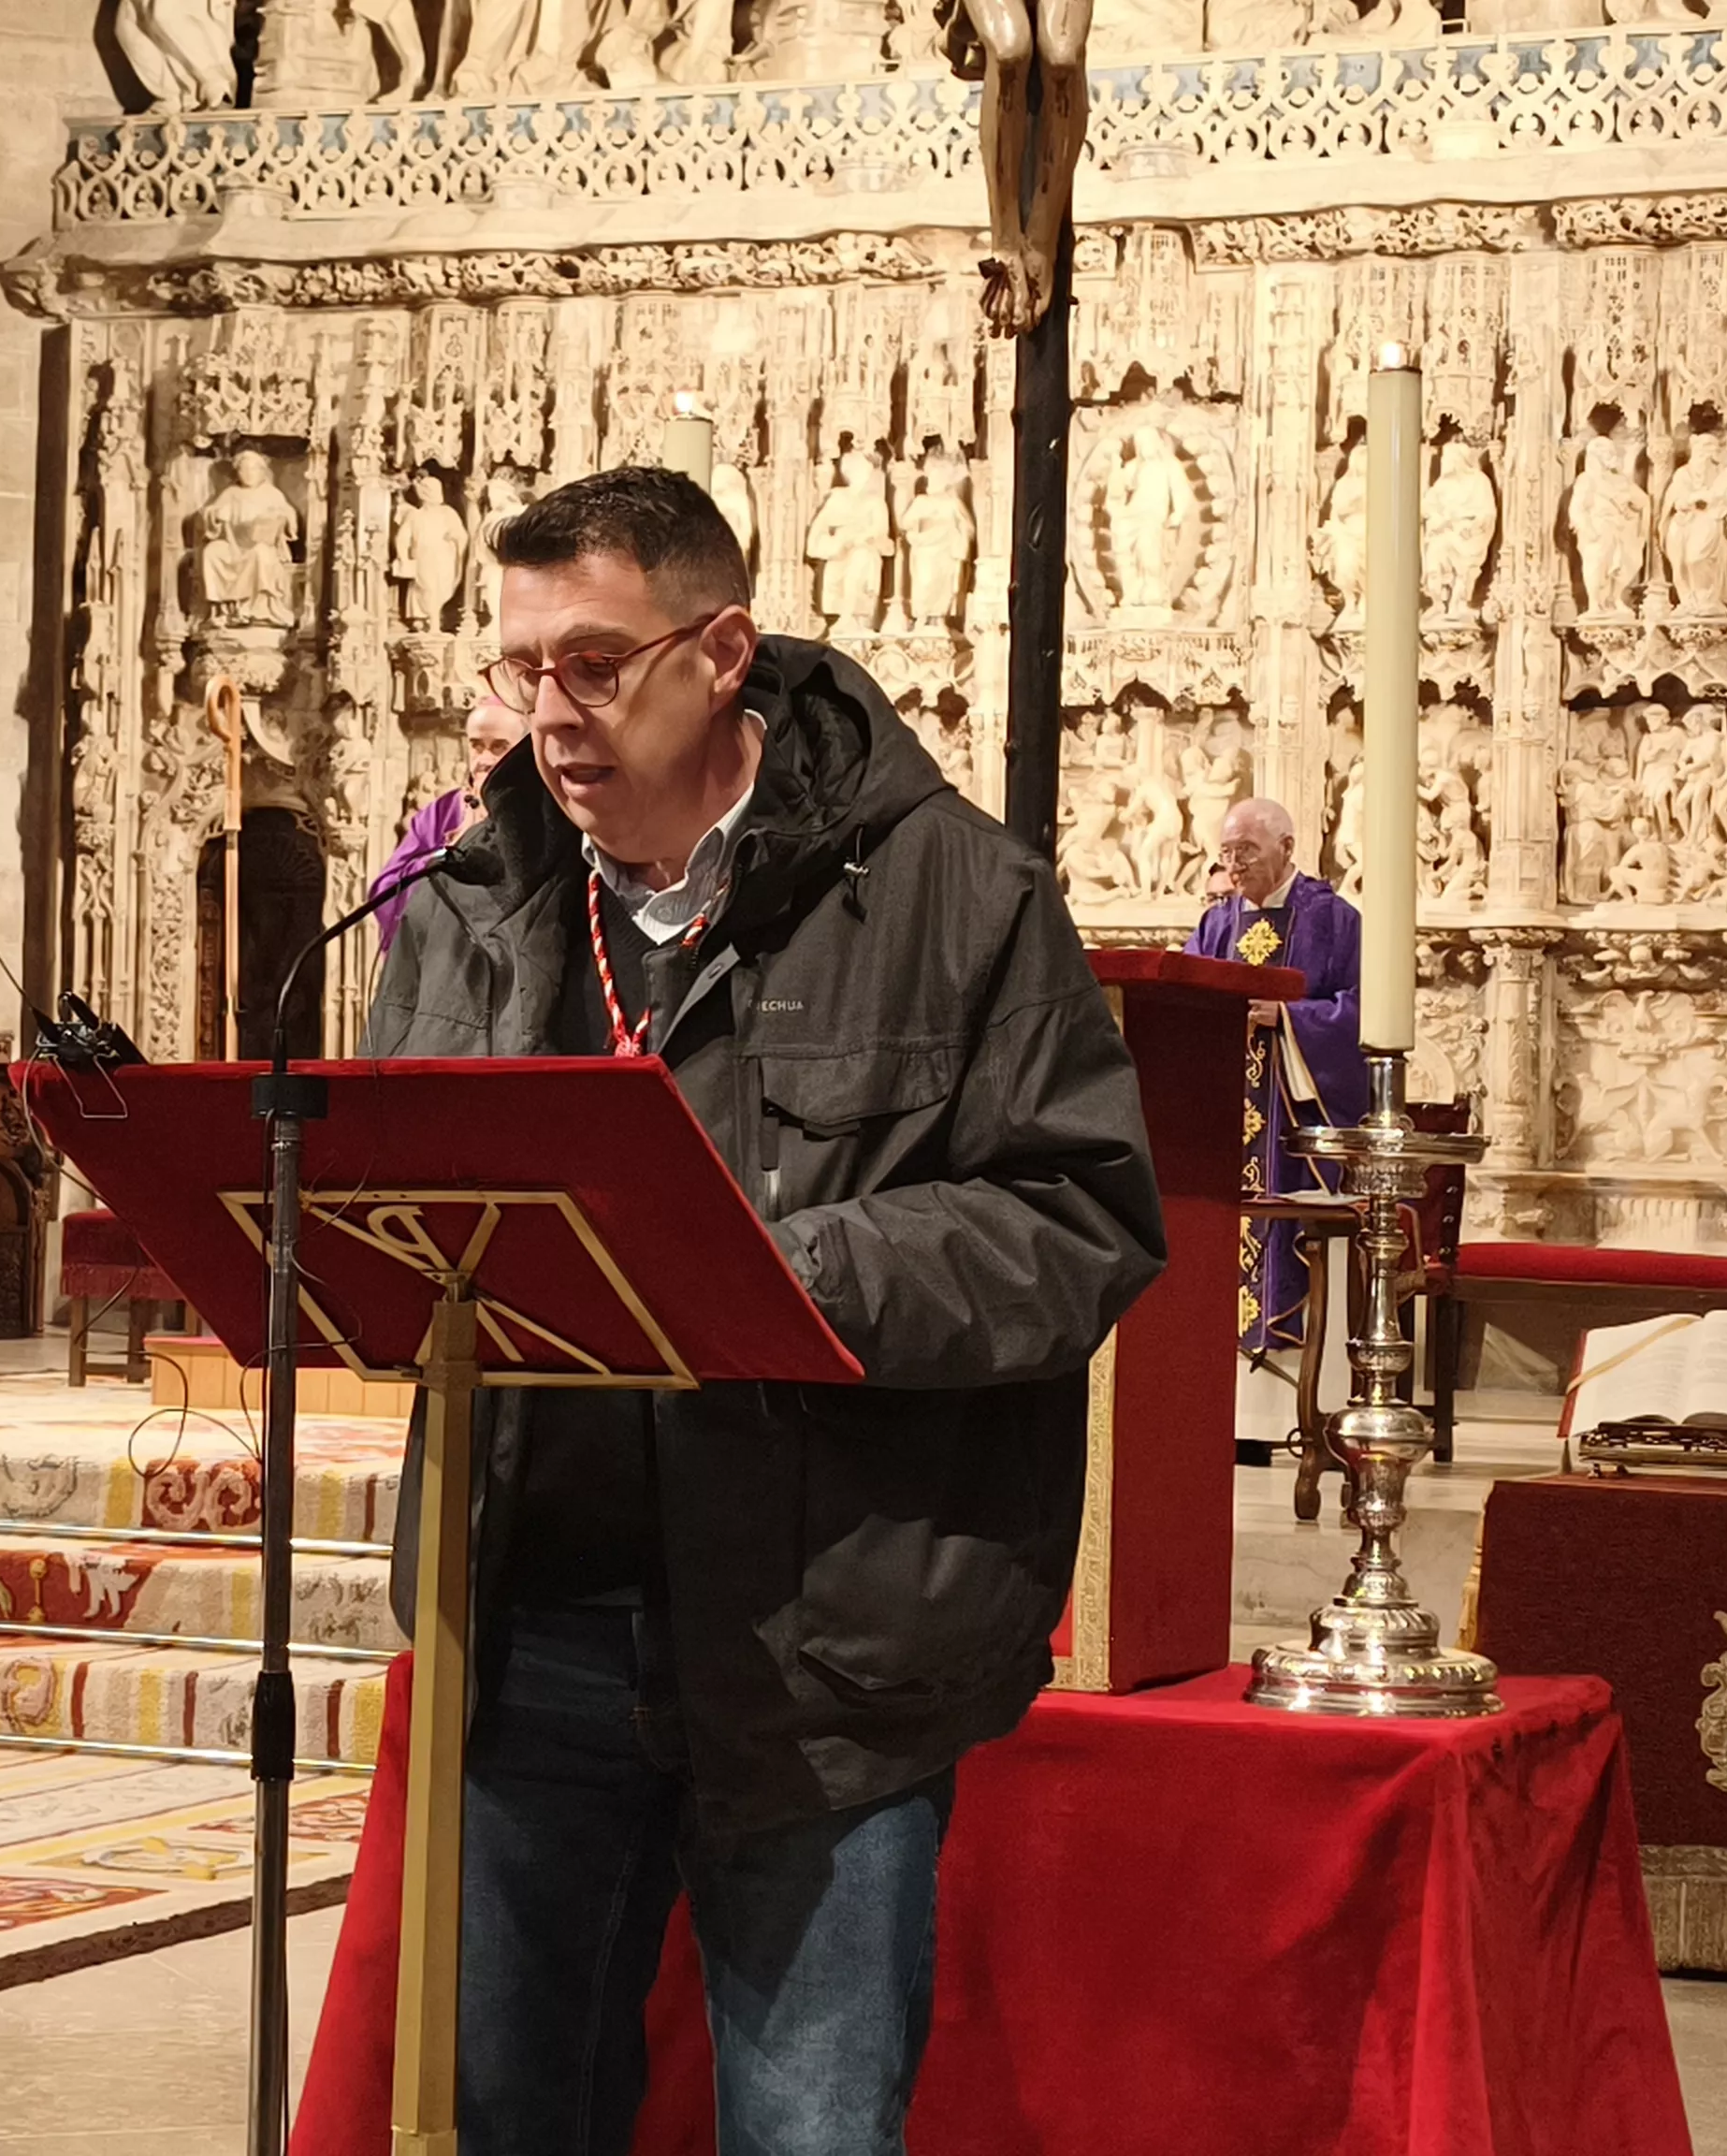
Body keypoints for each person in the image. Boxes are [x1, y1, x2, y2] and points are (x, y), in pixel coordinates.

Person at [372, 466, 1162, 2155]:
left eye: (593, 663)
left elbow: (1079, 1220)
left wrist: (786, 1267)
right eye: (519, 667)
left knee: (809, 2126)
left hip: (824, 1635)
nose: (547, 712)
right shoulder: (471, 896)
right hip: (536, 1624)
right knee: (511, 2112)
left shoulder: (953, 888)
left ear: (720, 649)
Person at [1185, 796, 1368, 1362]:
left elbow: (1364, 1010)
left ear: (1287, 848)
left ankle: (1289, 1385)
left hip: (1294, 1118)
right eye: (1227, 853)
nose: (1235, 866)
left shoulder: (1335, 920)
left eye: (1248, 851)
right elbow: (1186, 1002)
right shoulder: (1217, 922)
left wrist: (1287, 1018)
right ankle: (1231, 1398)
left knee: (1284, 1231)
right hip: (1225, 1116)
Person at [371, 688, 529, 949]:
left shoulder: (543, 808)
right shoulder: (442, 813)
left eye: (499, 747)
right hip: (446, 951)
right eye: (477, 746)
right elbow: (386, 891)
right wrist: (447, 853)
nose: (484, 760)